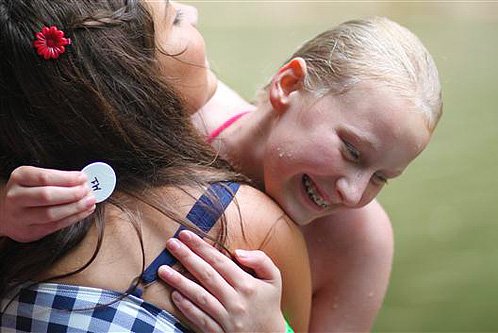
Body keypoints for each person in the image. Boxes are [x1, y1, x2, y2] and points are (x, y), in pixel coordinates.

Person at [0, 3, 442, 332]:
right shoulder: (172, 115)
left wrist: (274, 329)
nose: (353, 193)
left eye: (383, 177)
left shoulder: (361, 241)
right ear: (288, 85)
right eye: (351, 151)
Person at [0, 0, 311, 332]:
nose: (192, 12)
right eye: (175, 19)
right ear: (131, 81)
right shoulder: (249, 226)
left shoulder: (14, 217)